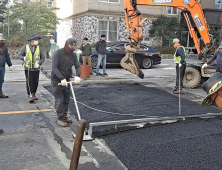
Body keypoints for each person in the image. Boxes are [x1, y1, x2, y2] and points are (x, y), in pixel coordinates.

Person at [51, 38, 81, 127]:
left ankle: (64, 116)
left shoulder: (73, 56)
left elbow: (78, 66)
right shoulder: (57, 53)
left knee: (66, 99)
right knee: (59, 99)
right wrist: (61, 78)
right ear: (67, 45)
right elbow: (54, 67)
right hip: (57, 80)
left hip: (67, 79)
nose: (72, 49)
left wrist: (78, 75)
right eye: (71, 47)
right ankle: (60, 119)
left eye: (74, 47)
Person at [19, 34, 45, 103]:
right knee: (29, 82)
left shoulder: (40, 48)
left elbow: (43, 58)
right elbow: (20, 55)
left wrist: (39, 63)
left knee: (35, 82)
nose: (37, 41)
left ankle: (33, 93)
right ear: (31, 40)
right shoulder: (25, 47)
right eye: (35, 39)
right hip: (28, 68)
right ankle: (30, 95)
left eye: (37, 40)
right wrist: (23, 58)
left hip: (36, 68)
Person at [0, 33, 12, 98]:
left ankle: (0, 92)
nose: (1, 41)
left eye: (1, 40)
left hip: (2, 66)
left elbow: (7, 56)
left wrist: (10, 65)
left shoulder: (4, 46)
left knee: (1, 80)